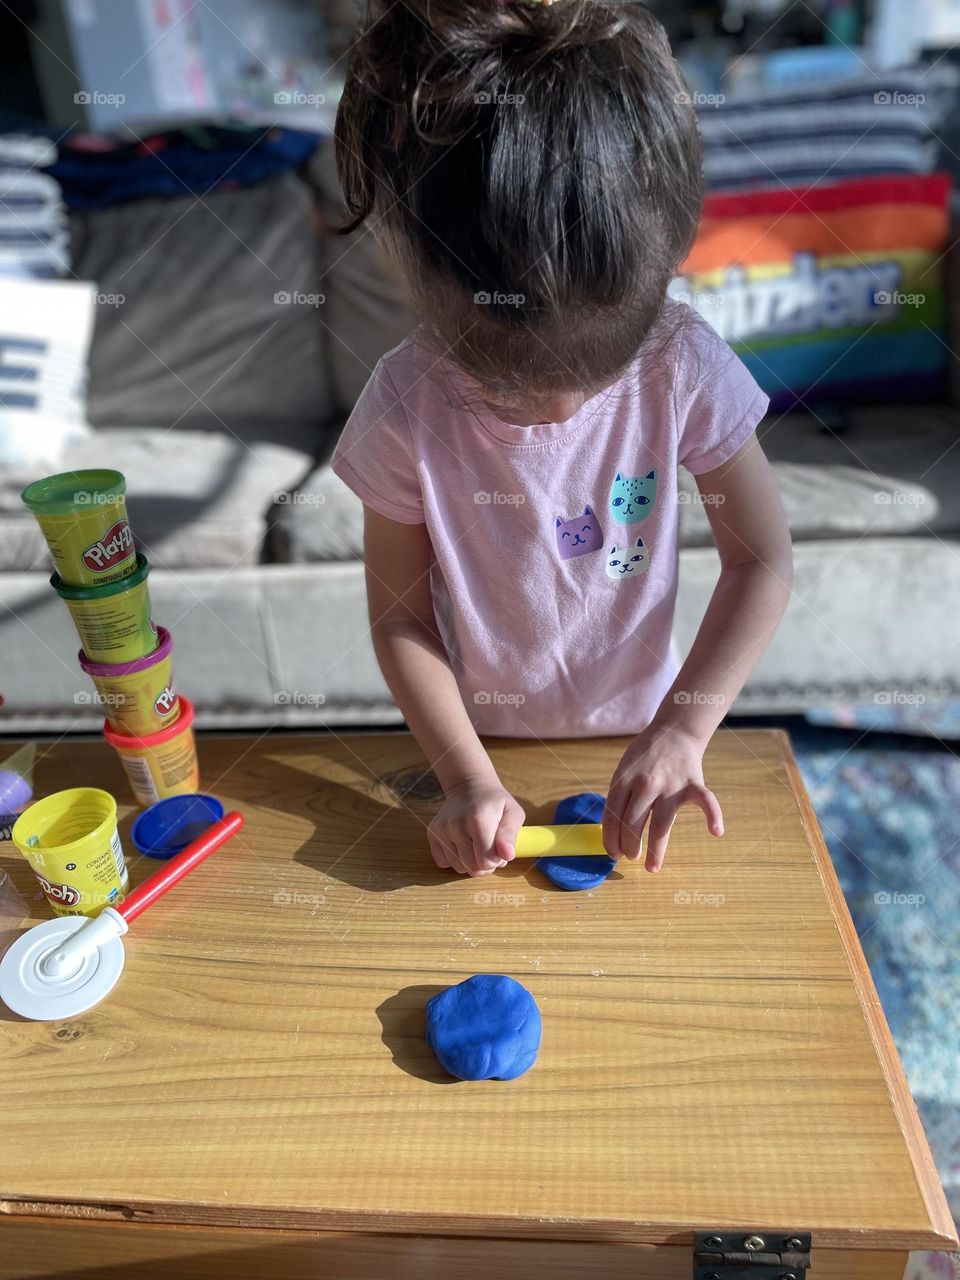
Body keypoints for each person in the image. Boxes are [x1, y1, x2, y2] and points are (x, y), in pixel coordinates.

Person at [331, 0, 793, 876]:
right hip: (483, 741)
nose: (555, 412)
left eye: (597, 374)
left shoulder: (682, 361)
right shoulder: (404, 402)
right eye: (503, 383)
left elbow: (761, 561)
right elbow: (400, 620)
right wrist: (464, 777)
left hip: (644, 728)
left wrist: (685, 727)